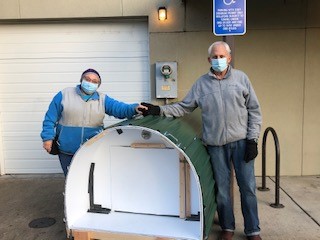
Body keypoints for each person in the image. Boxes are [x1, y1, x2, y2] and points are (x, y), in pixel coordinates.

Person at [141, 41, 262, 240]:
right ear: (209, 59)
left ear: (229, 58)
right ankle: (227, 228)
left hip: (241, 143)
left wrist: (253, 140)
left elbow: (254, 111)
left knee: (248, 187)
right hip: (215, 145)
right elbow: (183, 107)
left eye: (222, 56)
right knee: (222, 190)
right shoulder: (201, 84)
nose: (218, 60)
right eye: (215, 56)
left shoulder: (242, 79)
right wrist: (158, 109)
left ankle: (253, 230)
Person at [41, 68, 147, 176]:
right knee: (71, 178)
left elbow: (119, 108)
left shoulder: (102, 99)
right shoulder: (64, 94)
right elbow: (50, 118)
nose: (90, 83)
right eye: (87, 79)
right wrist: (47, 138)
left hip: (92, 149)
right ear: (81, 80)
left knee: (92, 178)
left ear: (98, 85)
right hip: (67, 149)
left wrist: (134, 108)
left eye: (94, 81)